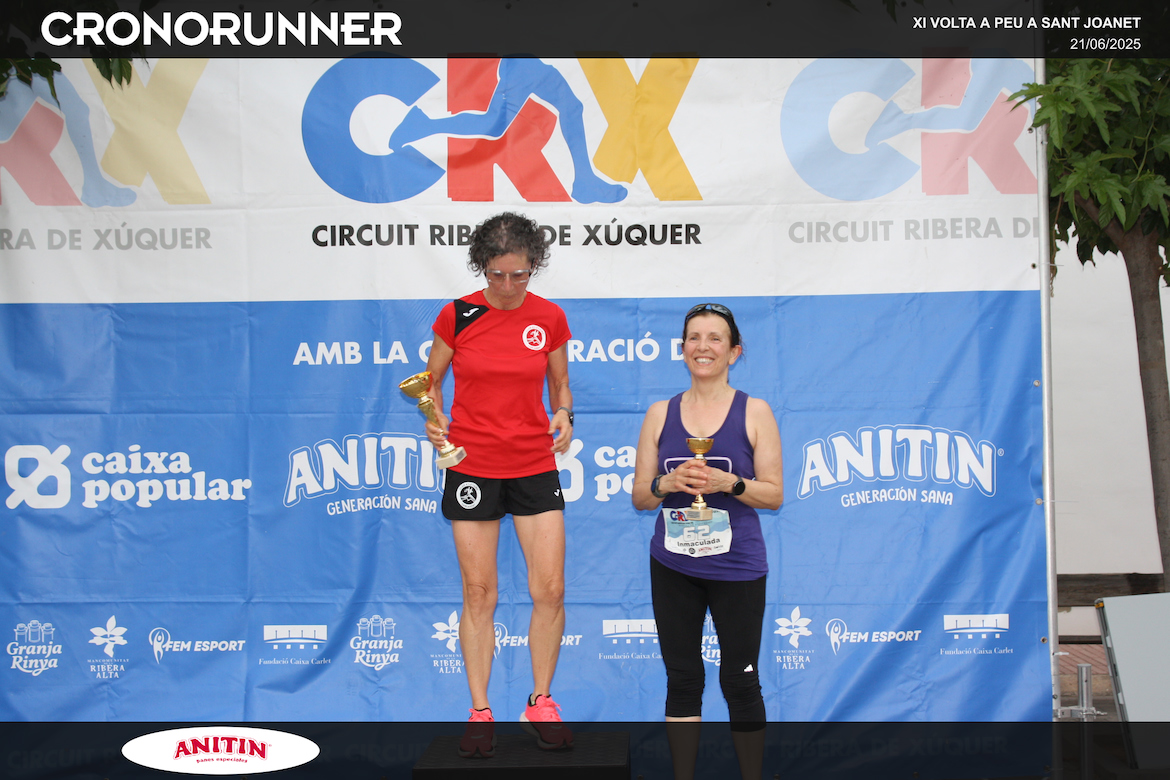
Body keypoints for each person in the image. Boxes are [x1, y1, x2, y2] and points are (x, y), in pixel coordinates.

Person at [423, 212, 574, 757]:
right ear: (481, 267)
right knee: (479, 592)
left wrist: (565, 414)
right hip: (473, 466)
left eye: (519, 275)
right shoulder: (458, 315)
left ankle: (540, 702)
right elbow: (430, 383)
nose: (508, 286)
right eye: (497, 275)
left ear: (534, 266)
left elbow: (560, 385)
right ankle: (480, 712)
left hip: (533, 463)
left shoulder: (549, 317)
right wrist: (434, 417)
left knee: (549, 590)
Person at [632, 303, 783, 780]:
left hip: (737, 566)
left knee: (740, 679)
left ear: (734, 351)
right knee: (682, 679)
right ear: (682, 350)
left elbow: (774, 494)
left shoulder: (755, 411)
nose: (703, 346)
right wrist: (667, 482)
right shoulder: (660, 413)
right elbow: (640, 496)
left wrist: (730, 484)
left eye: (715, 338)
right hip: (673, 564)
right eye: (694, 338)